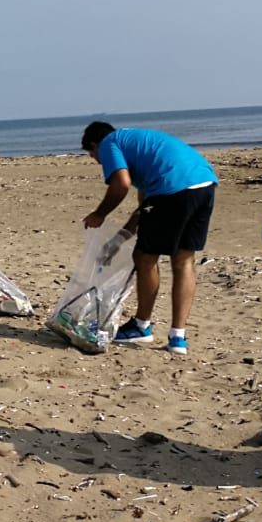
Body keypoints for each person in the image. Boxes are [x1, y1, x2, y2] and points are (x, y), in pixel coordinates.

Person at [80, 122, 217, 356]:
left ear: (94, 145)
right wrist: (117, 241)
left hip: (175, 189)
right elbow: (146, 209)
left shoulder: (109, 143)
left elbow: (120, 184)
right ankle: (178, 338)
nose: (98, 160)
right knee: (183, 260)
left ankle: (141, 326)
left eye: (93, 155)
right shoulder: (142, 151)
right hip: (204, 184)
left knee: (144, 258)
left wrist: (99, 214)